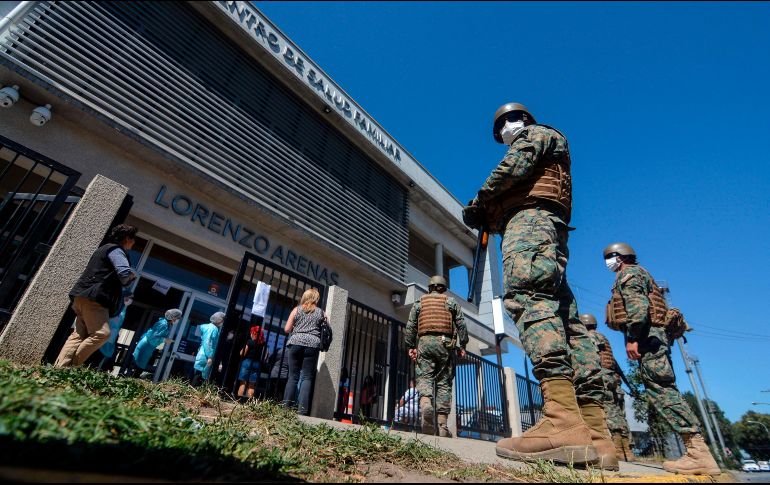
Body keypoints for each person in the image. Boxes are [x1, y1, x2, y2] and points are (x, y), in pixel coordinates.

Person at [463, 103, 613, 468]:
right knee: (567, 321)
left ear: (522, 120)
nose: (506, 129)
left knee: (528, 296)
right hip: (546, 228)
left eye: (508, 122)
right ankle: (596, 435)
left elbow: (512, 168)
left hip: (530, 226)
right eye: (501, 126)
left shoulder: (535, 135)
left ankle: (562, 422)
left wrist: (480, 200)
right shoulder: (545, 143)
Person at [603, 242, 720, 475]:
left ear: (620, 256)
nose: (607, 263)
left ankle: (698, 453)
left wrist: (632, 338)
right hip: (653, 337)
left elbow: (637, 308)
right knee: (661, 388)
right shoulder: (640, 273)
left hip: (648, 338)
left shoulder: (629, 274)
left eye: (609, 257)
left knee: (662, 390)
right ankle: (697, 451)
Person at [55, 224, 138, 367]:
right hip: (95, 299)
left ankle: (59, 368)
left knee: (78, 335)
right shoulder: (117, 251)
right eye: (133, 238)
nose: (134, 242)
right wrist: (131, 276)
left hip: (81, 296)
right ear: (126, 238)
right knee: (102, 334)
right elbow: (124, 273)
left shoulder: (103, 249)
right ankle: (72, 367)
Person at [405, 275, 468, 438]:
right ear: (443, 288)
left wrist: (410, 346)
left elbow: (411, 325)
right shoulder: (451, 302)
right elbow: (461, 324)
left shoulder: (420, 302)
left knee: (425, 377)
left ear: (430, 287)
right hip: (445, 345)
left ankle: (426, 402)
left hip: (424, 343)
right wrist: (463, 345)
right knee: (444, 382)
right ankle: (442, 425)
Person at [580, 313, 636, 462]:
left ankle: (618, 449)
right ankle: (627, 451)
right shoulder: (603, 337)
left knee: (610, 412)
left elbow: (590, 356)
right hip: (610, 376)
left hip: (601, 376)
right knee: (617, 412)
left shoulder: (591, 336)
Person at [282, 288, 325, 415]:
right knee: (306, 377)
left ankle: (286, 408)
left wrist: (298, 328)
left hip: (296, 342)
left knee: (292, 376)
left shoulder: (296, 309)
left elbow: (287, 329)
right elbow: (327, 328)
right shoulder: (321, 313)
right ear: (316, 299)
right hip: (312, 344)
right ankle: (302, 411)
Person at [126, 308, 182, 378]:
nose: (178, 320)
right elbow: (153, 337)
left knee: (138, 367)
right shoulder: (163, 324)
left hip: (148, 346)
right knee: (137, 367)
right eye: (178, 318)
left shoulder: (165, 323)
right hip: (146, 346)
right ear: (173, 318)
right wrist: (164, 340)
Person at [95, 289, 134, 371]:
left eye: (132, 298)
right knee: (94, 359)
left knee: (98, 361)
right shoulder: (116, 306)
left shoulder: (123, 308)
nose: (130, 300)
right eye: (129, 297)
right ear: (124, 297)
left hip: (109, 339)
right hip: (102, 336)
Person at [192, 311, 226, 387]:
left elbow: (203, 340)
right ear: (219, 320)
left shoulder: (205, 326)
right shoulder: (213, 329)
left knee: (198, 374)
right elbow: (207, 342)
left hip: (202, 353)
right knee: (200, 376)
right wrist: (210, 356)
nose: (223, 322)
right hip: (205, 355)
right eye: (223, 320)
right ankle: (192, 390)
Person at [237, 324, 266, 399]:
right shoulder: (263, 344)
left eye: (251, 333)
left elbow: (242, 353)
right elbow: (265, 355)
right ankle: (249, 401)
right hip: (257, 364)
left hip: (247, 362)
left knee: (243, 382)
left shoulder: (250, 342)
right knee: (252, 385)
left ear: (253, 333)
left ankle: (239, 399)